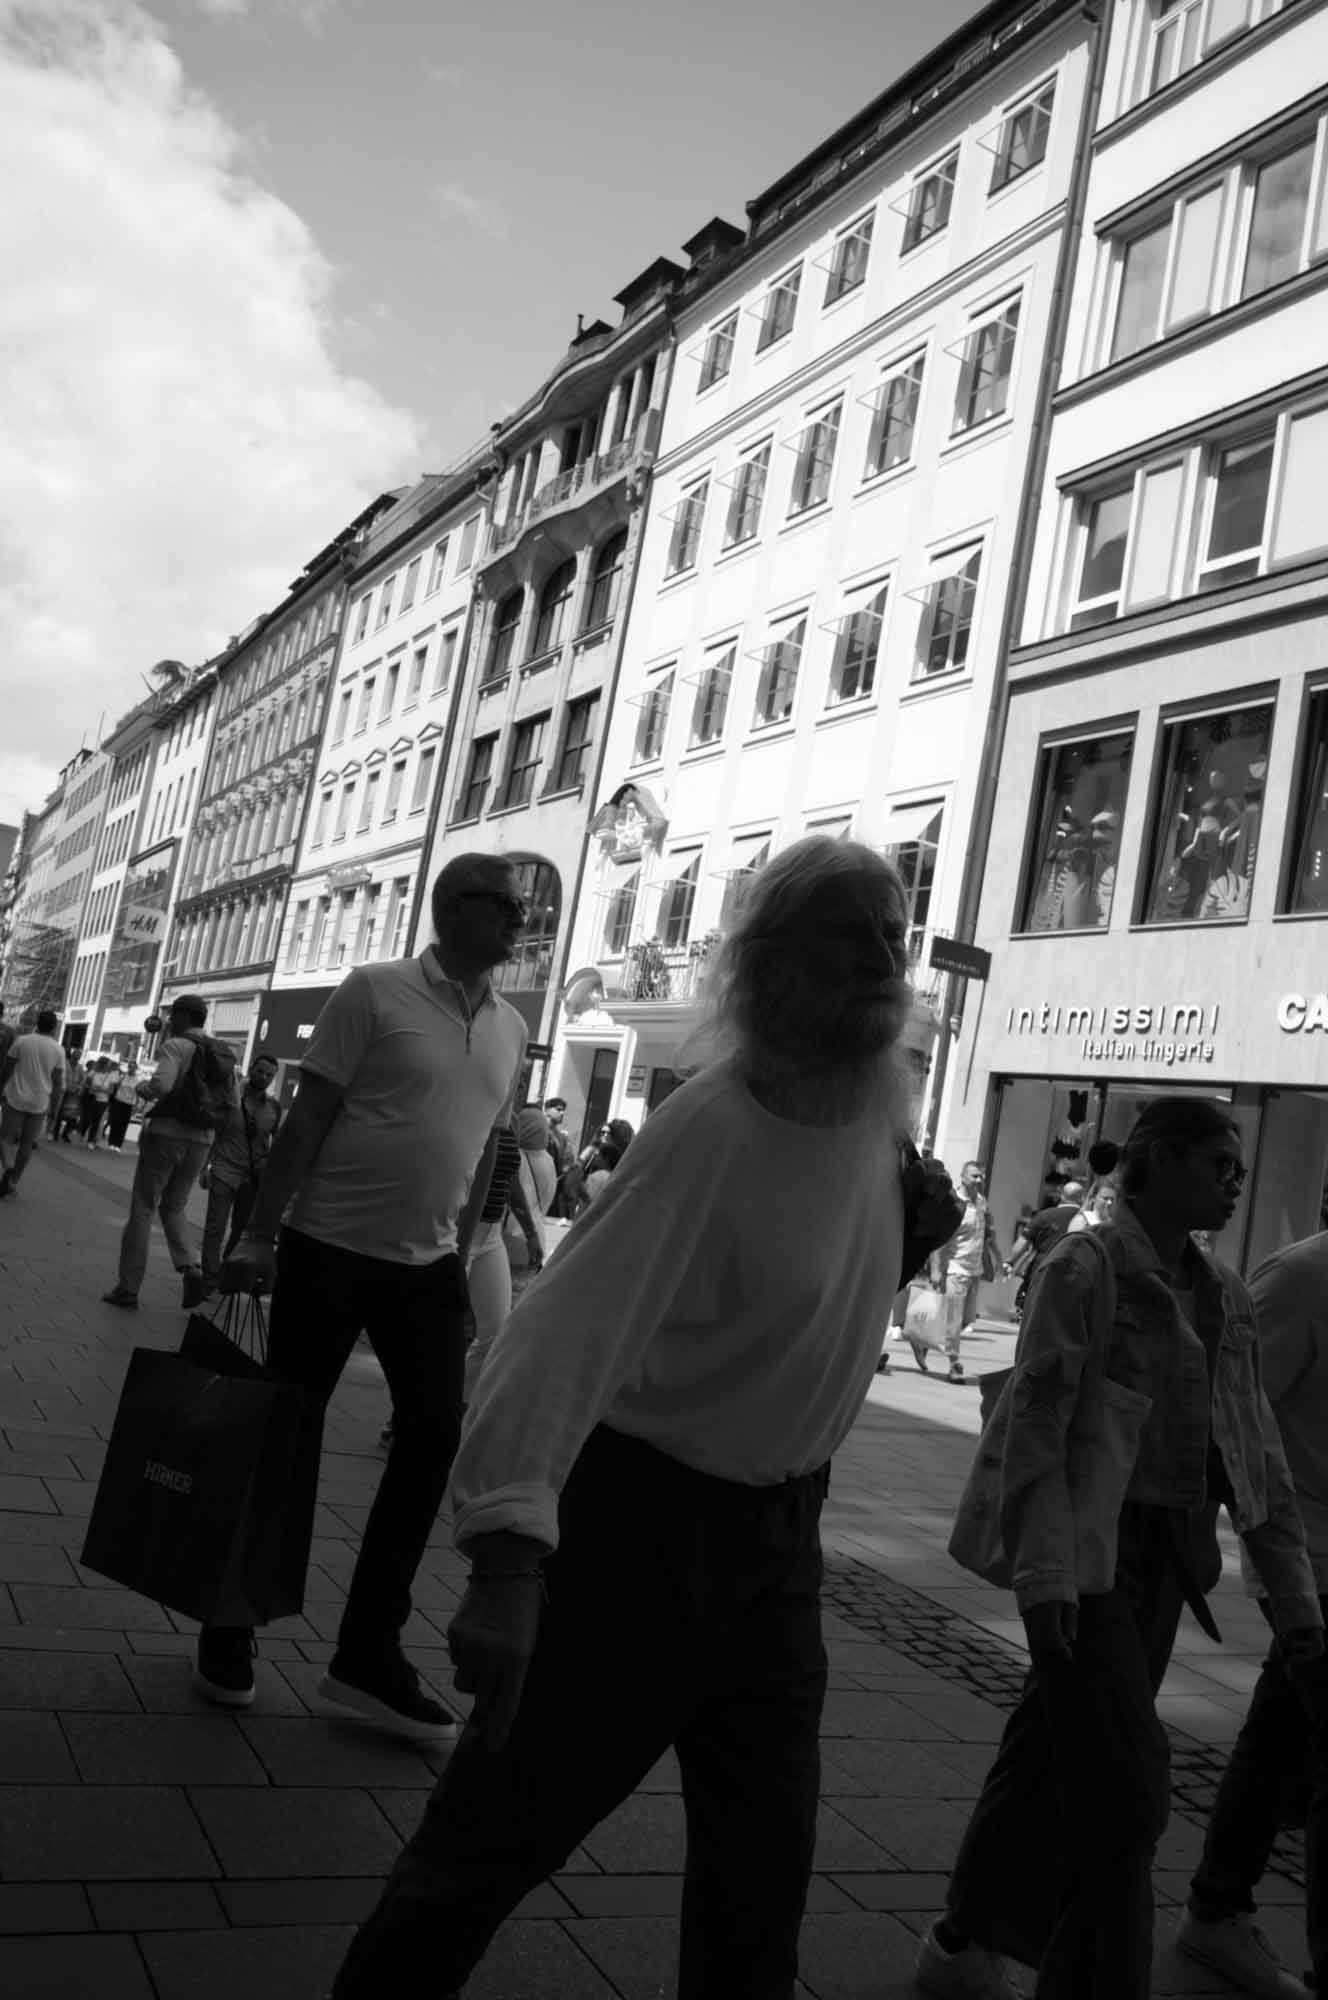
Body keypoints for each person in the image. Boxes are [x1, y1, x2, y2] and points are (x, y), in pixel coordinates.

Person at [330, 835, 963, 2000]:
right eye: (851, 931)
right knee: (483, 1851)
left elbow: (794, 1287)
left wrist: (906, 1233)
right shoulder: (709, 1124)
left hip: (779, 1555)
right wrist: (509, 1562)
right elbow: (549, 1340)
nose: (885, 953)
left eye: (893, 928)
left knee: (757, 1882)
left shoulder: (875, 1106)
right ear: (774, 962)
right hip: (640, 1546)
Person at [918, 1096, 1323, 2000]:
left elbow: (1255, 1448)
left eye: (1238, 1164)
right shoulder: (1087, 1265)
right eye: (1218, 1161)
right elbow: (1038, 1426)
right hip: (1087, 1556)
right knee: (1133, 1791)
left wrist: (1294, 1603)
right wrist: (1048, 1577)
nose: (1236, 1179)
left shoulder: (1220, 1290)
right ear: (1159, 1160)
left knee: (1049, 1752)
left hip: (1165, 1559)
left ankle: (959, 1944)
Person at [202, 855, 529, 1735]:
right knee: (285, 1442)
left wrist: (463, 1259)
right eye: (506, 906)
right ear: (453, 909)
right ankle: (230, 1619)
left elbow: (490, 1148)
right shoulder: (373, 992)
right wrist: (261, 1233)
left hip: (425, 1269)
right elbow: (308, 1120)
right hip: (324, 1249)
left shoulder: (510, 1024)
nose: (520, 921)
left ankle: (366, 1655)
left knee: (431, 1442)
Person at [1177, 1227, 1328, 1999]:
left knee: (1281, 1742)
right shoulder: (1302, 1277)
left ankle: (1215, 1909)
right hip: (1309, 1556)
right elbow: (1228, 1412)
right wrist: (1205, 1523)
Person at [101, 995, 230, 1312]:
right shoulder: (222, 1053)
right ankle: (191, 1268)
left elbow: (162, 1085)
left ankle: (128, 1288)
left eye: (173, 1015)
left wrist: (144, 1088)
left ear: (185, 1017)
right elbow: (232, 1104)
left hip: (166, 1134)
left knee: (144, 1206)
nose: (170, 1021)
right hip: (202, 1139)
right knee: (174, 1206)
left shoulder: (177, 1046)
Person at [199, 1054, 280, 1295]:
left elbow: (273, 1142)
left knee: (240, 1228)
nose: (263, 1077)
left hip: (252, 1176)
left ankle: (226, 1271)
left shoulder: (273, 1107)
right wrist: (205, 1167)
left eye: (269, 1074)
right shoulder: (232, 1097)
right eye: (260, 1071)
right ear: (251, 1069)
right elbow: (216, 1133)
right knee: (215, 1226)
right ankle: (210, 1276)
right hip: (224, 1169)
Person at [932, 1159, 1000, 1383]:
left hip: (974, 1270)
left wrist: (997, 1258)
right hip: (955, 1268)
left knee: (967, 1319)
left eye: (981, 1176)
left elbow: (986, 1234)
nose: (979, 1180)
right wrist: (936, 1270)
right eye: (974, 1176)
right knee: (953, 1318)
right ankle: (954, 1364)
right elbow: (940, 1239)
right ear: (962, 1177)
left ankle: (923, 1341)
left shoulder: (981, 1201)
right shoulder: (953, 1203)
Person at [0, 1010, 65, 1198]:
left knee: (5, 1138)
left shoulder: (21, 1041)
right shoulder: (58, 1049)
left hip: (15, 1098)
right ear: (54, 1027)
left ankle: (9, 1167)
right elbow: (58, 1082)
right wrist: (54, 1108)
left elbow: (7, 1069)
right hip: (40, 1102)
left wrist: (1, 1088)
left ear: (37, 1023)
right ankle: (13, 1181)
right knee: (27, 1143)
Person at [79, 1058, 118, 1148]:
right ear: (103, 1064)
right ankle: (82, 1132)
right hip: (91, 1098)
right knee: (88, 1119)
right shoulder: (93, 1072)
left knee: (97, 1120)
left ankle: (90, 1140)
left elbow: (111, 1091)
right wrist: (97, 1089)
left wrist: (97, 1089)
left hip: (103, 1101)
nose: (109, 1066)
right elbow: (86, 1084)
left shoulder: (111, 1076)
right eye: (108, 1064)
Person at [51, 1053, 85, 1143]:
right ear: (72, 1056)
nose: (76, 1059)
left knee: (72, 1115)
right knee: (59, 1113)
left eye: (78, 1057)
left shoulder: (80, 1067)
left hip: (73, 1093)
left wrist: (78, 1088)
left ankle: (65, 1134)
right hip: (63, 1091)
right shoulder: (65, 1064)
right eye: (75, 1057)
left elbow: (82, 1080)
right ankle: (55, 1132)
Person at [104, 1063, 138, 1152]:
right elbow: (114, 1085)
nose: (131, 1069)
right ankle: (111, 1142)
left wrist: (135, 1106)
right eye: (130, 1067)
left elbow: (137, 1094)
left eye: (133, 1068)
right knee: (115, 1122)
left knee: (124, 1124)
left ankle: (118, 1144)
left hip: (129, 1104)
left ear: (136, 1069)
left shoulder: (137, 1080)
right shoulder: (122, 1077)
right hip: (118, 1101)